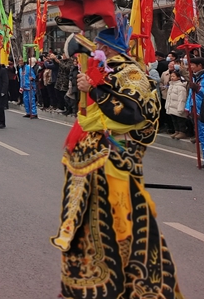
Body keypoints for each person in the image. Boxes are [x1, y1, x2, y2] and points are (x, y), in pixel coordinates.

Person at [51, 28, 183, 298]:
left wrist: (95, 89)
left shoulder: (130, 73)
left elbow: (133, 112)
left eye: (98, 43)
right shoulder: (104, 68)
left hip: (116, 158)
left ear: (108, 47)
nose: (95, 47)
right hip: (94, 160)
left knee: (124, 227)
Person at [165, 69, 192, 139]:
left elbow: (182, 99)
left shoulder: (181, 87)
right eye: (171, 76)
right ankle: (176, 131)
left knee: (180, 121)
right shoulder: (171, 85)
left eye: (174, 76)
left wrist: (180, 108)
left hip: (178, 107)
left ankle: (182, 132)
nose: (172, 78)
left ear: (179, 77)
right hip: (172, 106)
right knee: (174, 120)